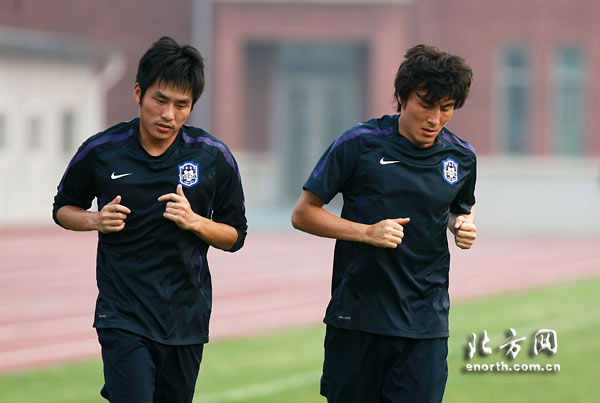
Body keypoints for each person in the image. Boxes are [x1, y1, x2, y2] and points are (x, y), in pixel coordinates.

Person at [52, 36, 247, 403]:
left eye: (181, 105)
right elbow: (62, 208)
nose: (168, 114)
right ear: (138, 92)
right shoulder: (102, 150)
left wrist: (195, 222)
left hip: (185, 319)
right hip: (122, 314)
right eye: (160, 100)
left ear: (192, 106)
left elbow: (236, 235)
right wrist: (95, 220)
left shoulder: (212, 157)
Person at [291, 44, 477, 402]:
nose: (435, 118)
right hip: (359, 318)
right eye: (426, 104)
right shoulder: (358, 144)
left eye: (446, 108)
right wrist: (367, 232)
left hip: (425, 323)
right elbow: (303, 213)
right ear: (402, 97)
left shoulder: (461, 157)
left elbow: (459, 207)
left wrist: (462, 225)